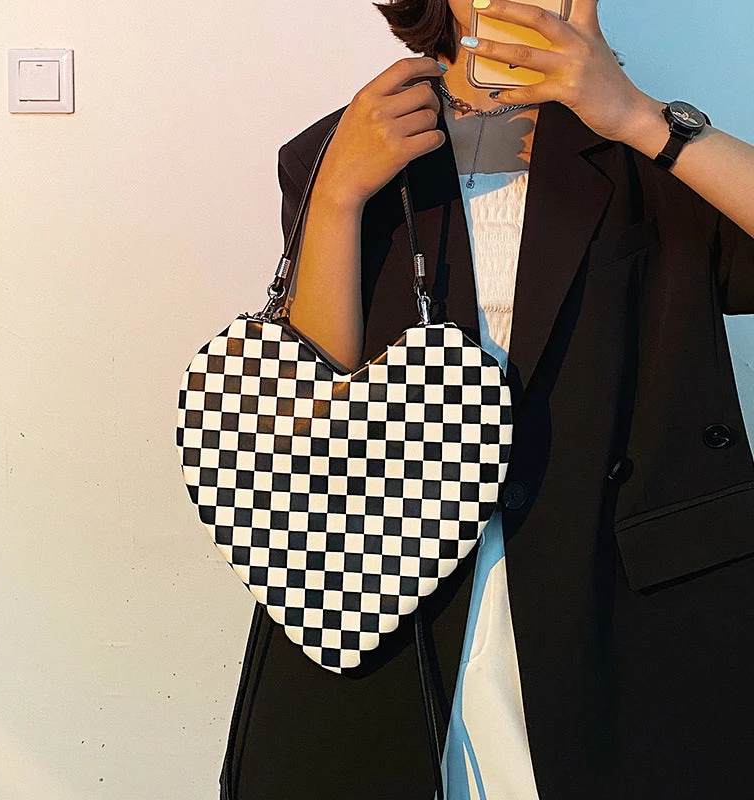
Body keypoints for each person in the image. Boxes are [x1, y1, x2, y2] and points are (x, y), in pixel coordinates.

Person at [219, 1, 754, 798]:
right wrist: (335, 197)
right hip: (396, 590)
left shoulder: (647, 147)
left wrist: (642, 119)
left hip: (623, 611)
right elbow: (315, 399)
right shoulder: (342, 147)